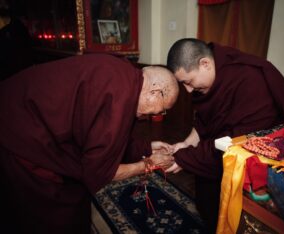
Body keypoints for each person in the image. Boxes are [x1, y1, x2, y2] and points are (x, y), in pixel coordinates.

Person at [0, 53, 179, 234]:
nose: (158, 113)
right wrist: (148, 164)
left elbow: (106, 134)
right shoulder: (120, 96)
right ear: (155, 91)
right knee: (56, 214)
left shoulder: (125, 75)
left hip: (17, 105)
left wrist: (147, 147)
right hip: (20, 130)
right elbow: (99, 172)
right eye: (163, 109)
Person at [165, 38, 284, 233]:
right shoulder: (211, 78)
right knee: (207, 195)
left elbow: (237, 140)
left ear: (205, 64)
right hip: (226, 143)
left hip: (265, 148)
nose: (188, 90)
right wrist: (185, 144)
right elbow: (203, 122)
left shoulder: (249, 80)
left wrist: (184, 158)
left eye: (188, 82)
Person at [0, 0, 33, 81]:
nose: (4, 6)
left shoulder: (17, 25)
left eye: (5, 3)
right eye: (1, 3)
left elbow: (27, 45)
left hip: (22, 72)